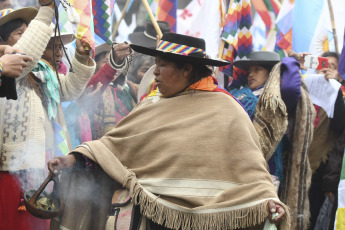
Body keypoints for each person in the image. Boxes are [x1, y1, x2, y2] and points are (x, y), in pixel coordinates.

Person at [48, 33, 290, 230]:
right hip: (152, 219)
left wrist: (269, 200)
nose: (155, 72)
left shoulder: (227, 110)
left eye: (163, 65)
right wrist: (73, 159)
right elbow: (112, 147)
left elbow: (252, 168)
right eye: (156, 64)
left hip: (207, 223)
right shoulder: (151, 105)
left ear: (186, 70)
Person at [0, 2, 95, 230]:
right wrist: (45, 11)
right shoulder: (10, 69)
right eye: (19, 33)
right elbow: (26, 56)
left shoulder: (42, 72)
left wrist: (81, 59)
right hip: (11, 168)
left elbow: (69, 90)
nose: (29, 36)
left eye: (28, 30)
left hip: (40, 162)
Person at [230, 51, 315, 230]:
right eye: (249, 70)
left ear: (272, 73)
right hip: (235, 170)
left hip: (267, 172)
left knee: (260, 223)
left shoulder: (278, 101)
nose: (250, 74)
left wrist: (290, 61)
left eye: (257, 69)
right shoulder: (236, 96)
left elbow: (292, 87)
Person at [90, 21, 168, 139]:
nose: (117, 66)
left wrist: (161, 59)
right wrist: (113, 62)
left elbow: (155, 94)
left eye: (121, 61)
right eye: (107, 61)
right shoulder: (94, 90)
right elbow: (90, 91)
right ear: (94, 65)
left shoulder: (131, 89)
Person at [308, 51, 345, 230]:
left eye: (332, 67)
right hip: (298, 171)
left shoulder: (339, 97)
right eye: (324, 65)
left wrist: (337, 87)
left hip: (319, 175)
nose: (326, 71)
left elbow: (339, 127)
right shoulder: (305, 93)